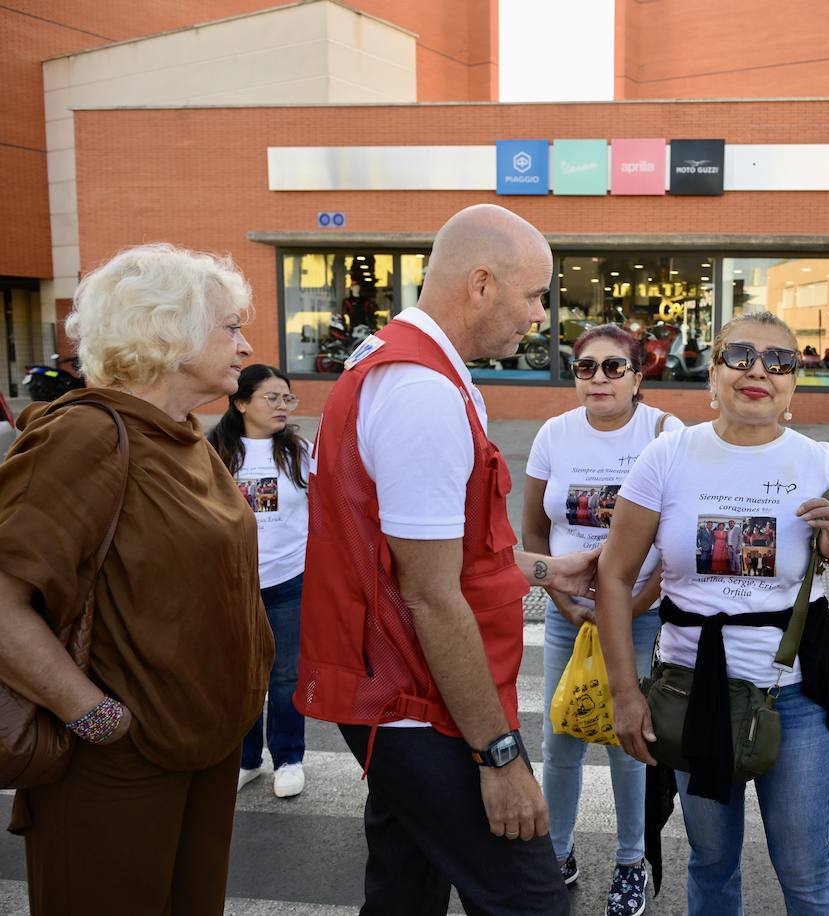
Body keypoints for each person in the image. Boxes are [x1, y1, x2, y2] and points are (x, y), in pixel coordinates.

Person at [296, 205, 600, 916]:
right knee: (531, 901)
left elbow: (436, 552)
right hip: (419, 702)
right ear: (482, 284)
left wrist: (544, 569)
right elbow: (429, 595)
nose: (539, 315)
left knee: (405, 892)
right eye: (534, 295)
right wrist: (497, 755)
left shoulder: (408, 369)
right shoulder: (422, 392)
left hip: (402, 693)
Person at [0, 243, 273, 914]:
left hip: (203, 750)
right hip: (117, 768)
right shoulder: (86, 435)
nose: (245, 346)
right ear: (167, 332)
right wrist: (93, 716)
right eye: (229, 326)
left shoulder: (184, 435)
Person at [597, 311, 829, 915]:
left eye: (779, 361)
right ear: (714, 372)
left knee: (807, 871)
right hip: (690, 694)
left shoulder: (819, 463)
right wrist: (626, 695)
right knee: (710, 863)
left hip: (796, 697)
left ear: (792, 387)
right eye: (741, 355)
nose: (759, 370)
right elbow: (616, 572)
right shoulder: (668, 455)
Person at [522, 323, 682, 916]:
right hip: (569, 614)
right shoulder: (553, 434)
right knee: (559, 735)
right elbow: (535, 528)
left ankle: (629, 861)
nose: (598, 378)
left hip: (640, 613)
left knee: (628, 738)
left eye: (613, 367)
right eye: (585, 367)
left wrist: (630, 606)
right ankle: (556, 853)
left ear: (639, 376)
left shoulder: (665, 433)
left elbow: (676, 540)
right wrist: (562, 601)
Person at [208, 364, 311, 799]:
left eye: (287, 398)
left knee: (286, 676)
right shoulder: (213, 451)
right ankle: (246, 759)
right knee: (239, 674)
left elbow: (323, 509)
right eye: (272, 397)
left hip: (289, 580)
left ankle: (289, 757)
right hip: (232, 584)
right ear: (241, 401)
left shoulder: (298, 451)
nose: (282, 406)